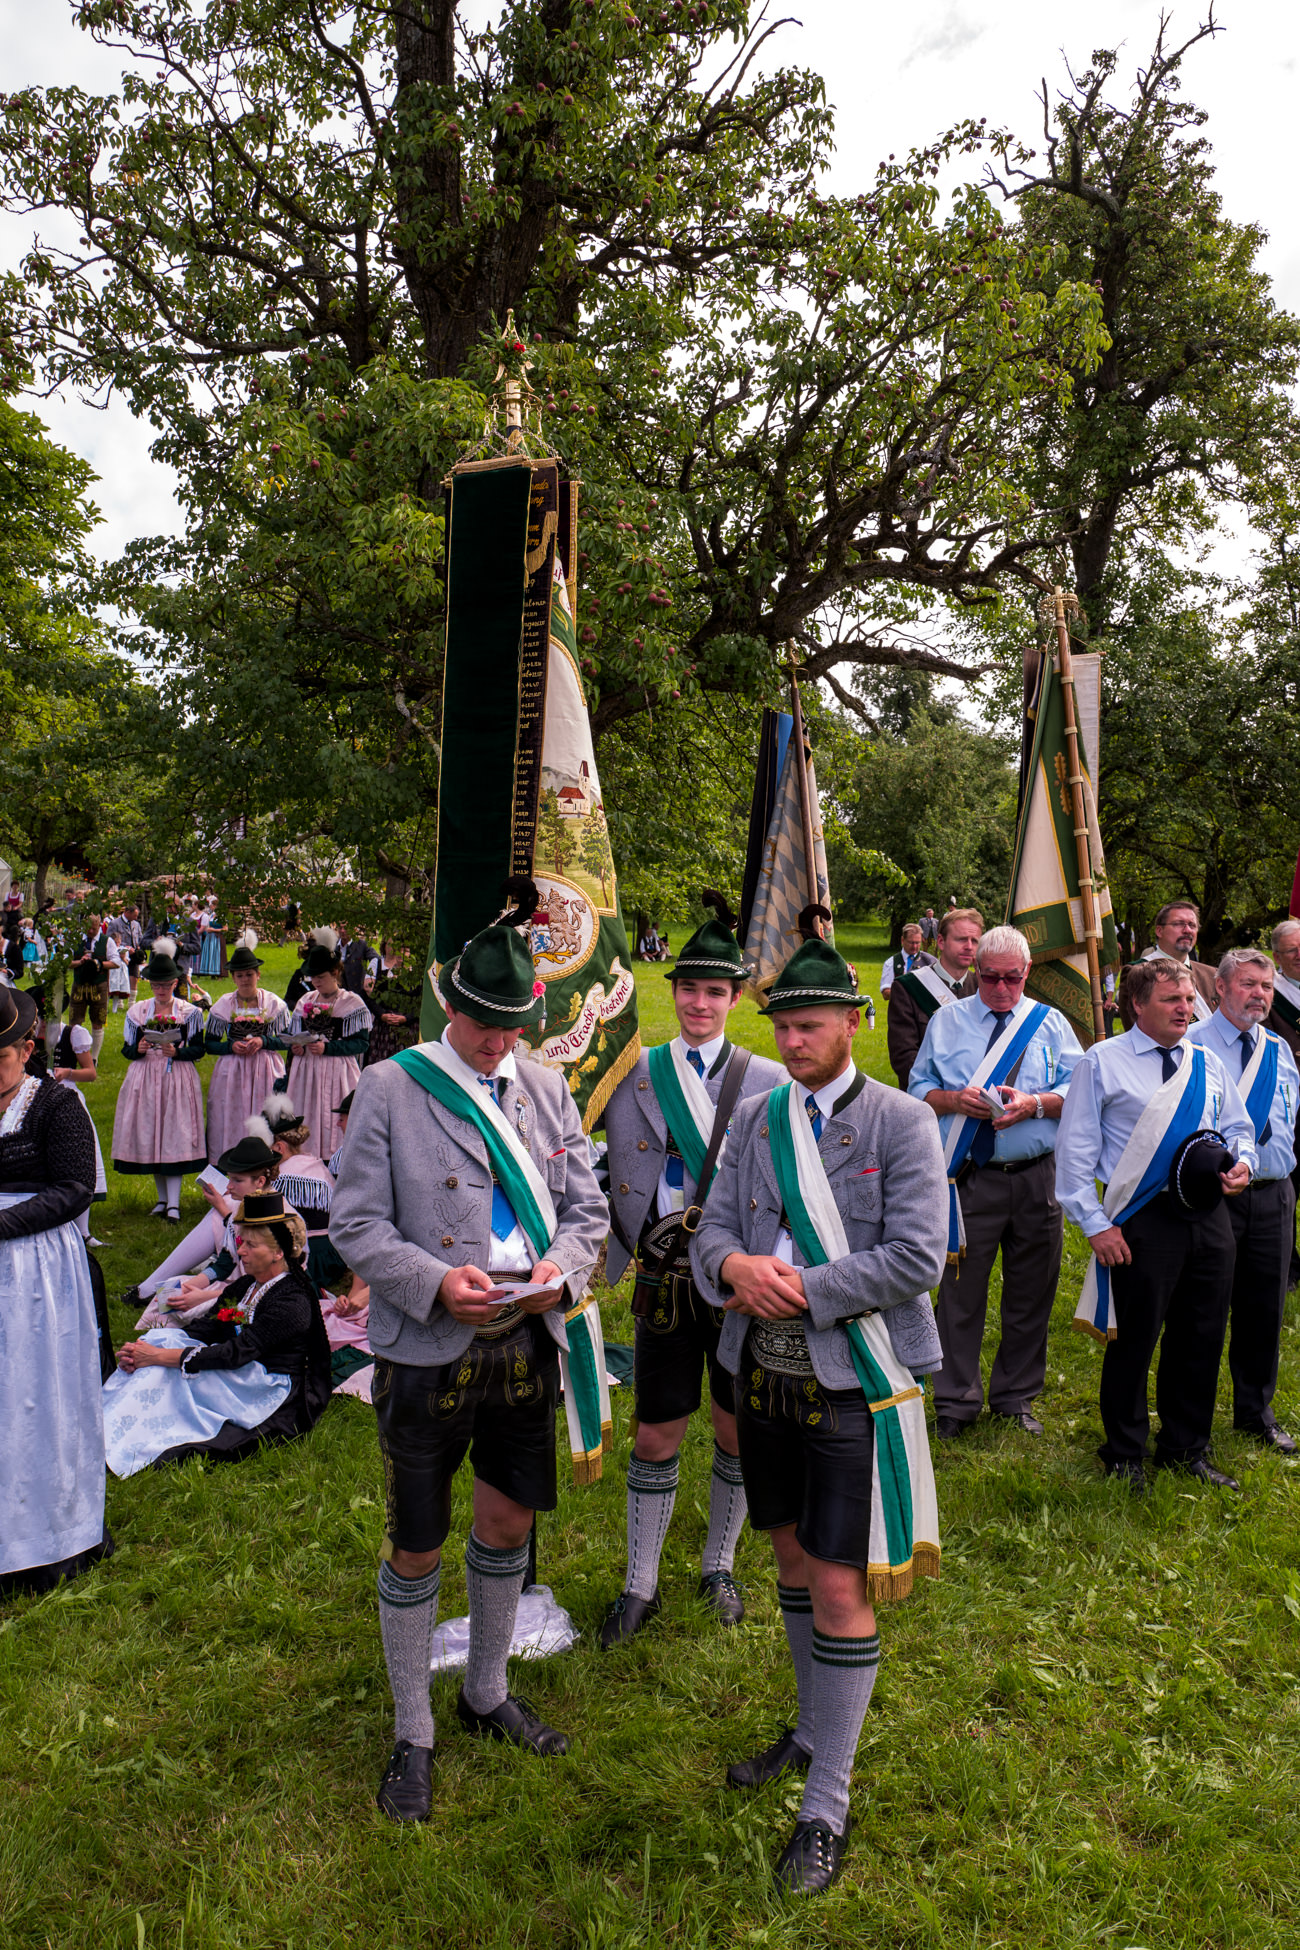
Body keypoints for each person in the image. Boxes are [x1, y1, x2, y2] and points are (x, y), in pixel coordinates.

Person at [329, 920, 607, 1823]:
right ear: (449, 1005)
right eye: (484, 1025)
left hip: (525, 1341)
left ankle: (486, 1691)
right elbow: (355, 1224)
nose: (497, 1043)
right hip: (427, 1347)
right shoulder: (390, 1086)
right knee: (417, 1539)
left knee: (507, 1521)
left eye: (512, 1027)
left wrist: (561, 1269)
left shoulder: (546, 1087)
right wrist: (436, 1283)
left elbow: (587, 1209)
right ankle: (413, 1729)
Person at [690, 934, 948, 1893]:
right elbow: (714, 1225)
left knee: (841, 1590)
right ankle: (808, 1730)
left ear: (853, 1022)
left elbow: (917, 1255)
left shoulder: (901, 1121)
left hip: (854, 1382)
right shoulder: (757, 1117)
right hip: (762, 1378)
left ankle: (826, 1804)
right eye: (783, 1027)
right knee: (792, 1561)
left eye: (809, 1025)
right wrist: (732, 1265)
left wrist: (799, 1287)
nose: (792, 1041)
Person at [598, 900, 786, 1645]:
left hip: (738, 1283)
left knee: (735, 1428)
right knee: (655, 1432)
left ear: (735, 998)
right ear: (672, 992)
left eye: (715, 991)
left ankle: (719, 1566)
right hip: (665, 1278)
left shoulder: (769, 1079)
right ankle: (639, 1583)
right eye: (688, 989)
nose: (700, 1003)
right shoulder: (633, 1074)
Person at [1056, 956, 1256, 1492]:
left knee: (1202, 1336)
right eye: (1172, 1000)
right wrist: (1096, 1225)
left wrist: (1243, 1162)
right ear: (1137, 1004)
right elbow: (1074, 1154)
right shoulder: (1102, 1062)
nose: (1185, 1009)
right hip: (1141, 1220)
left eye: (1189, 1000)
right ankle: (1124, 1452)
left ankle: (1185, 1448)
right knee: (1134, 1340)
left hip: (1209, 1216)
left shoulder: (1207, 1062)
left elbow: (1238, 1127)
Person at [908, 925, 1084, 1440]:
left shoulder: (1050, 1023)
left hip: (1036, 1178)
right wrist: (952, 1100)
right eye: (990, 978)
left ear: (1027, 973)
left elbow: (1081, 1091)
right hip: (968, 1177)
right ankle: (955, 1402)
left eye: (1013, 978)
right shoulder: (947, 1021)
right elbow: (916, 1089)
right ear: (976, 972)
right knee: (959, 1295)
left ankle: (1016, 1398)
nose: (1002, 988)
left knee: (1032, 1292)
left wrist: (1036, 1104)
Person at [0, 986, 112, 1599]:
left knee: (31, 1391)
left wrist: (4, 1224)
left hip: (35, 1267)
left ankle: (40, 1533)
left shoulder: (56, 1104)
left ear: (26, 1048)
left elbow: (73, 1189)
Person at [105, 1191, 332, 1474]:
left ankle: (117, 1436)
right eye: (241, 1242)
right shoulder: (247, 1285)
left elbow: (235, 1354)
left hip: (262, 1383)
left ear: (278, 1252)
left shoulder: (292, 1301)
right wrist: (148, 1349)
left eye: (251, 1245)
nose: (241, 1251)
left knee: (167, 1370)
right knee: (160, 1344)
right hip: (237, 1367)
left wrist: (159, 1357)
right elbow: (207, 1328)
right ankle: (108, 1423)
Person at [1186, 950, 1299, 1453]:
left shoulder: (1279, 1049)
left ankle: (1256, 1413)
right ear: (1221, 988)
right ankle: (1192, 1425)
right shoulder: (1191, 1045)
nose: (1259, 995)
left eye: (1266, 987)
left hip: (1274, 1193)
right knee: (1203, 1310)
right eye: (1248, 984)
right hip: (1214, 1199)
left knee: (1264, 1311)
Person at [124, 1126, 290, 1321]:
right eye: (229, 1178)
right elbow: (225, 1263)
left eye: (237, 1180)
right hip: (234, 1285)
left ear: (260, 1181)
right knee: (171, 1289)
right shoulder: (245, 1209)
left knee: (183, 1307)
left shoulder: (276, 1218)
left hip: (260, 1295)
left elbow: (267, 1285)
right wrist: (192, 1285)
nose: (229, 1186)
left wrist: (204, 1296)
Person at [110, 936, 207, 1222]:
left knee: (174, 1134)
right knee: (152, 1133)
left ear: (175, 983)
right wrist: (138, 1049)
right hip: (145, 1078)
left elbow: (199, 1049)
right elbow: (127, 1049)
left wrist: (178, 1052)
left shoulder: (190, 1013)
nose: (161, 990)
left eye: (166, 985)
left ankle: (174, 1203)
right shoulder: (138, 1011)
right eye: (156, 985)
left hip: (177, 1077)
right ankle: (162, 1199)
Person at [285, 927, 372, 1161]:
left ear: (335, 973)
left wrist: (328, 1048)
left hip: (338, 1072)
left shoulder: (351, 1003)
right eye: (313, 977)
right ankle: (307, 1164)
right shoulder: (305, 1000)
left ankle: (336, 1164)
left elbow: (361, 1044)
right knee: (308, 1113)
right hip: (307, 1073)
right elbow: (296, 1034)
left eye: (320, 977)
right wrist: (297, 1047)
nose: (315, 982)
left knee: (335, 1118)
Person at [203, 936, 292, 1162]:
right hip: (232, 1070)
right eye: (240, 975)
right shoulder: (223, 1005)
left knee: (266, 1113)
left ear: (258, 975)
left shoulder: (273, 1003)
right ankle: (231, 1161)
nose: (245, 979)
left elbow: (288, 1040)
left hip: (266, 1067)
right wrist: (230, 1045)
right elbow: (209, 1044)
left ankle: (268, 1162)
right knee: (231, 1115)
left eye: (249, 974)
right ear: (233, 977)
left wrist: (264, 1042)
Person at [29, 989, 108, 1242]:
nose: (43, 1022)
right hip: (33, 1098)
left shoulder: (72, 1033)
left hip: (66, 1097)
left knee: (76, 1159)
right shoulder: (27, 1037)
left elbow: (90, 1073)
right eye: (40, 1017)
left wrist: (67, 1073)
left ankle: (83, 1231)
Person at [886, 905, 980, 1090]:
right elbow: (904, 1058)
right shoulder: (908, 987)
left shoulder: (982, 987)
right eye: (961, 939)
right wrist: (947, 1096)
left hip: (977, 1096)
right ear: (941, 942)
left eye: (974, 941)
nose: (969, 947)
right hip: (927, 1098)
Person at [259, 1091, 344, 1290]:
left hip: (313, 1259)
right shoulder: (313, 1163)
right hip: (333, 1253)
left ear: (278, 1147)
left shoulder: (285, 1177)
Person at [1117, 900, 1216, 1029]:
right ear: (1159, 931)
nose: (1187, 930)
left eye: (1192, 925)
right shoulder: (1137, 972)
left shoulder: (1211, 974)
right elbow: (1136, 1029)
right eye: (1178, 924)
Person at [1267, 919, 1300, 1288]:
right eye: (1293, 950)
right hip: (1290, 1107)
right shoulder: (1270, 995)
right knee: (1290, 1188)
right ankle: (1289, 1265)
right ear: (1277, 956)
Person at [363, 944, 423, 1066]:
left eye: (406, 950)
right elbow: (372, 999)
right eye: (399, 950)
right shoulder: (385, 975)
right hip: (384, 1028)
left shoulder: (417, 978)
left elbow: (420, 1004)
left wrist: (406, 1018)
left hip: (408, 1029)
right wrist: (382, 1015)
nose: (401, 954)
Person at [69, 910, 112, 1063]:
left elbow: (116, 962)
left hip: (99, 985)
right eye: (88, 928)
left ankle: (94, 1058)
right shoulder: (75, 940)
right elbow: (65, 962)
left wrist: (98, 963)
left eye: (94, 928)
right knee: (74, 1021)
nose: (91, 931)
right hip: (79, 985)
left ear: (99, 925)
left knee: (98, 1021)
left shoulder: (106, 941)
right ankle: (73, 1055)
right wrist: (79, 962)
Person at [878, 922, 931, 998]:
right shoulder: (891, 962)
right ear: (902, 940)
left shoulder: (930, 961)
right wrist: (907, 993)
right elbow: (885, 993)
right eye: (911, 942)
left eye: (917, 943)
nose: (914, 946)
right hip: (901, 1005)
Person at [337, 921, 373, 998]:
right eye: (340, 928)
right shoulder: (333, 946)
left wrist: (370, 978)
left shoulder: (362, 945)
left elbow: (375, 959)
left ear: (353, 929)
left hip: (357, 993)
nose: (342, 931)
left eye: (345, 928)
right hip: (339, 993)